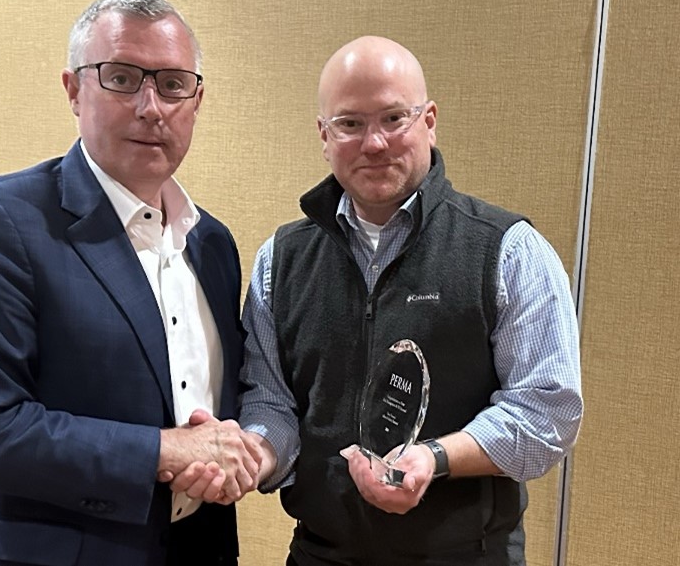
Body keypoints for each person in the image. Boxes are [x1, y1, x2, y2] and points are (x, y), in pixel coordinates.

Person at [170, 36, 583, 565]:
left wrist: (434, 459)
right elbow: (273, 403)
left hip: (466, 554)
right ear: (324, 135)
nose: (375, 142)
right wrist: (253, 456)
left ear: (429, 121)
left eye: (394, 118)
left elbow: (548, 411)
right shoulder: (282, 259)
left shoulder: (506, 250)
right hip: (321, 554)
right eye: (350, 123)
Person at [0, 0, 260, 566]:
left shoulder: (212, 243)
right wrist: (162, 451)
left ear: (196, 100)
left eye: (173, 83)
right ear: (75, 90)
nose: (152, 106)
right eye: (122, 77)